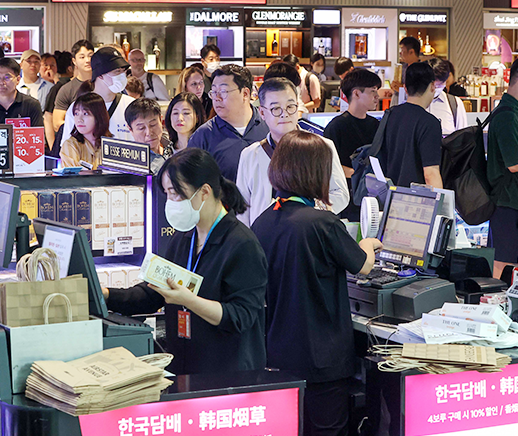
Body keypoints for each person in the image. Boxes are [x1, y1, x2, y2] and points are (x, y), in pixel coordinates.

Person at [251, 130, 382, 436]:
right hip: (322, 357)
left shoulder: (263, 221)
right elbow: (363, 266)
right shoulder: (323, 223)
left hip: (278, 352)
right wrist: (368, 243)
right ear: (317, 172)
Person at [103, 149, 268, 377]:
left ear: (204, 192)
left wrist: (189, 300)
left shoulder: (242, 244)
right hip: (184, 365)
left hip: (226, 373)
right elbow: (152, 293)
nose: (171, 202)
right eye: (167, 194)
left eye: (176, 194)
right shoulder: (184, 237)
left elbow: (240, 316)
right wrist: (107, 295)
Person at [236, 78, 349, 227]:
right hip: (263, 236)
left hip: (309, 232)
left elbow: (341, 194)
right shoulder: (250, 155)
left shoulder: (322, 146)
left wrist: (309, 212)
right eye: (276, 108)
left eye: (290, 106)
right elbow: (242, 208)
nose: (285, 114)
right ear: (262, 112)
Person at [487, 56, 518, 264]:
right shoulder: (508, 116)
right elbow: (515, 164)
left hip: (512, 201)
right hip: (508, 203)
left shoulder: (513, 113)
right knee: (504, 264)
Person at [188, 64, 269, 182]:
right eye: (214, 92)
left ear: (245, 94)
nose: (217, 98)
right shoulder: (203, 136)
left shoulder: (269, 126)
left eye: (223, 91)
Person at [324, 69, 381, 220]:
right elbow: (327, 166)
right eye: (372, 91)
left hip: (374, 197)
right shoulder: (336, 127)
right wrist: (359, 174)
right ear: (356, 93)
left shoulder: (377, 125)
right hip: (346, 199)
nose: (377, 96)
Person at [382, 62, 443, 188]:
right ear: (433, 86)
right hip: (416, 197)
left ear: (405, 88)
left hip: (390, 194)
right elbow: (430, 174)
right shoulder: (429, 123)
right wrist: (441, 199)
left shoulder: (390, 114)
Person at [61, 46, 134, 146]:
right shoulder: (78, 108)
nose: (122, 76)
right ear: (100, 75)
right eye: (117, 71)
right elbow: (67, 147)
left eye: (124, 71)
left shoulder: (131, 105)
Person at [60, 92, 112, 169]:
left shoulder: (110, 145)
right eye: (76, 113)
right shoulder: (71, 145)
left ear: (99, 116)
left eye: (85, 114)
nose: (79, 119)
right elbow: (74, 175)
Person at [53, 40, 94, 132]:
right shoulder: (67, 89)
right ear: (74, 61)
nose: (87, 60)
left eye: (91, 56)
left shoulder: (104, 84)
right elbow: (57, 123)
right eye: (82, 57)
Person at [125, 97, 171, 174]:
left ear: (161, 121)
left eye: (153, 125)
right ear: (130, 129)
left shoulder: (174, 147)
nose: (149, 133)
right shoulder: (132, 164)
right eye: (141, 128)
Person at [427, 57, 468, 136]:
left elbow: (462, 137)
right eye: (432, 84)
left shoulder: (455, 104)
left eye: (439, 85)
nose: (434, 88)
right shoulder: (415, 103)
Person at [44, 51, 74, 149]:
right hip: (61, 141)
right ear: (70, 68)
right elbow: (48, 117)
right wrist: (53, 147)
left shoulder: (58, 86)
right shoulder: (61, 87)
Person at [0, 58, 43, 126]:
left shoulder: (32, 105)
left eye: (7, 78)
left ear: (18, 80)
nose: (2, 82)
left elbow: (38, 131)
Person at [391, 36, 420, 106]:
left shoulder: (422, 70)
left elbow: (420, 92)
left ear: (411, 52)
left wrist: (402, 89)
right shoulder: (402, 67)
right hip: (396, 102)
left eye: (402, 50)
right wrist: (394, 86)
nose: (400, 53)